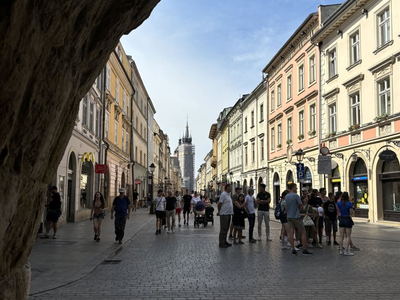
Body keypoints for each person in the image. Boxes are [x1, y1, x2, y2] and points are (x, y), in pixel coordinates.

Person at [285, 183, 313, 256]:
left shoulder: (287, 196)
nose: (296, 189)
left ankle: (293, 249)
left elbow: (286, 206)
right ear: (293, 187)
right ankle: (304, 249)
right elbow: (301, 206)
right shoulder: (296, 196)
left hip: (289, 216)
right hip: (296, 216)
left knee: (291, 233)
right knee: (303, 231)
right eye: (296, 187)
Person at [217, 184, 233, 248]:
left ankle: (224, 241)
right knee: (223, 228)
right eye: (230, 187)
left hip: (228, 213)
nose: (231, 188)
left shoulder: (228, 195)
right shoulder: (223, 194)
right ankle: (221, 242)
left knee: (226, 228)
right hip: (224, 214)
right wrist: (219, 211)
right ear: (227, 188)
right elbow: (219, 204)